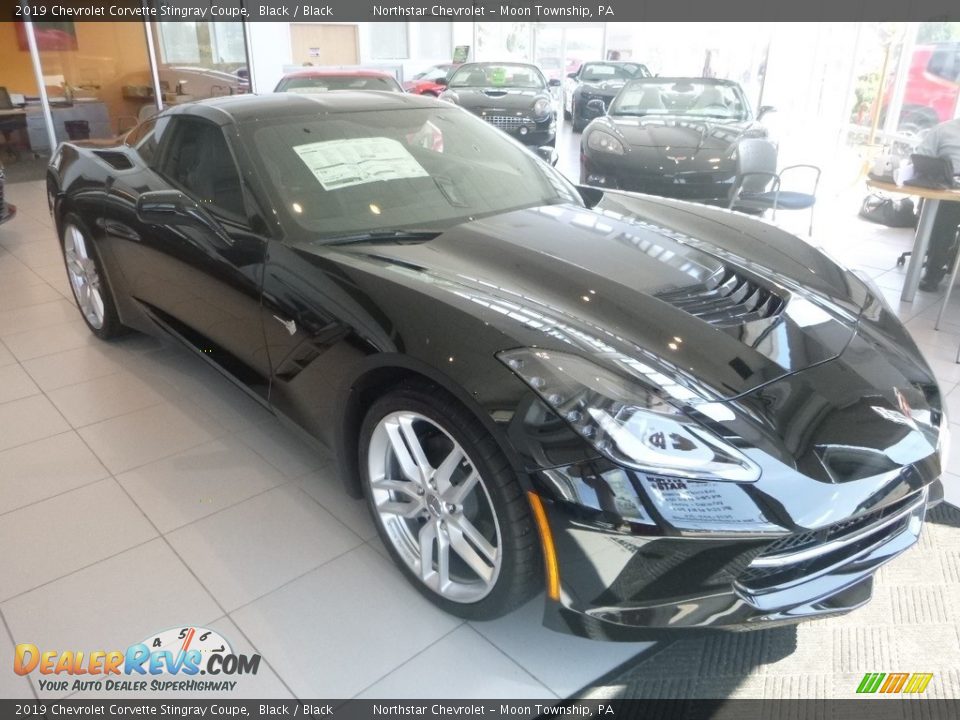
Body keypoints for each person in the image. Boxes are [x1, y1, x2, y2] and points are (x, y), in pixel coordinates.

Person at [916, 117, 960, 291]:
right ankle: (933, 273)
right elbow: (922, 157)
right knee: (943, 222)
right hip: (949, 189)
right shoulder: (943, 130)